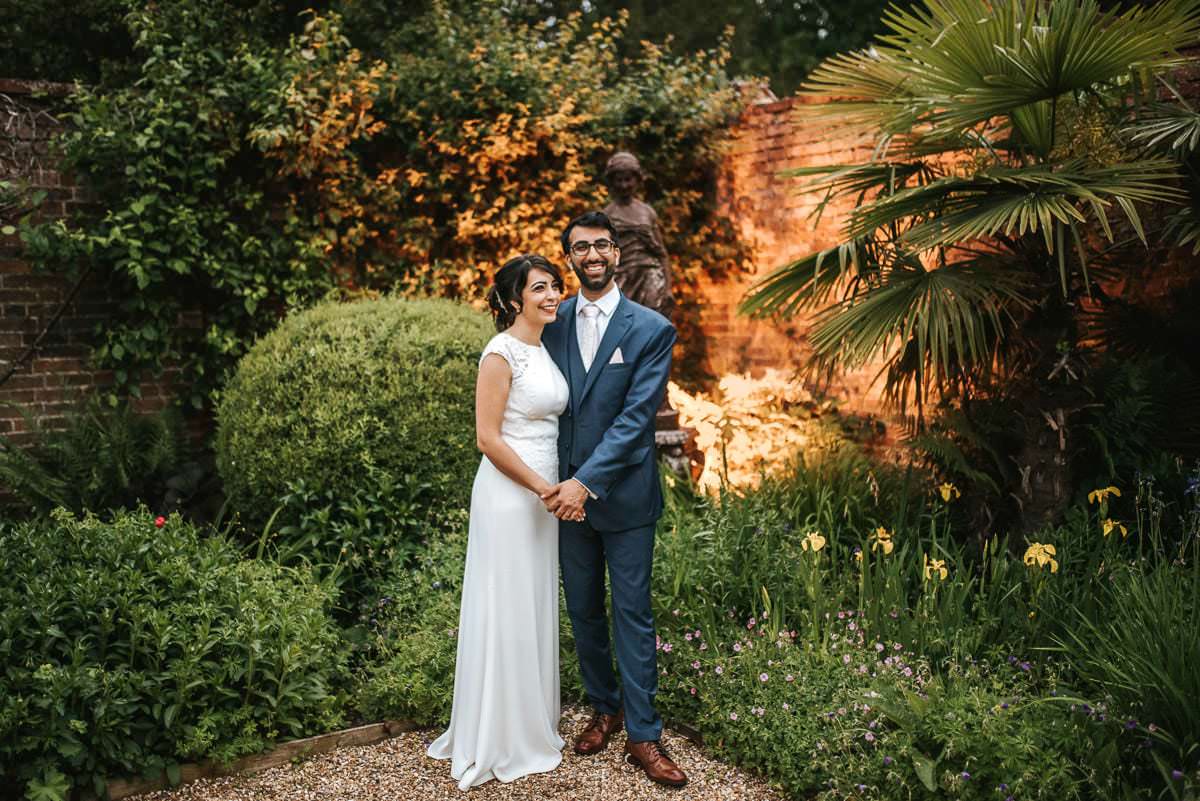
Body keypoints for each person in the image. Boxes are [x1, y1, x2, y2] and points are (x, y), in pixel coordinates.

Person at [539, 210, 688, 787]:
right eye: (581, 248)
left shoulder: (651, 329)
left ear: (617, 253)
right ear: (570, 257)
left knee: (631, 612)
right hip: (563, 500)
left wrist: (586, 482)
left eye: (602, 245)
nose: (593, 255)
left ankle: (644, 736)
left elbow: (634, 421)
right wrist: (560, 486)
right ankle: (604, 707)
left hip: (622, 498)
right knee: (583, 610)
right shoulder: (550, 322)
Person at [427, 254, 579, 790]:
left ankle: (531, 721)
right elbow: (488, 438)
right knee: (506, 602)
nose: (552, 295)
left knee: (533, 603)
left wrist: (559, 489)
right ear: (513, 299)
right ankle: (498, 732)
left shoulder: (546, 348)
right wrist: (542, 488)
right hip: (513, 495)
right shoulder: (500, 353)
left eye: (555, 286)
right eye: (540, 288)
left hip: (547, 497)